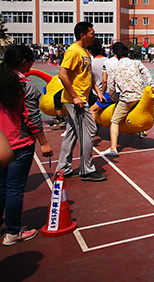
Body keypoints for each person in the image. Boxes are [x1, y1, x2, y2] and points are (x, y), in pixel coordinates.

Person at [0, 45, 54, 245]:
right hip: (18, 144)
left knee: (1, 186)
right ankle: (13, 232)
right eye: (30, 61)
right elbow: (31, 118)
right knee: (14, 189)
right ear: (24, 62)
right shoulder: (25, 86)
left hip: (1, 143)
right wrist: (44, 143)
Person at [55, 21, 107, 182]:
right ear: (82, 35)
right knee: (89, 131)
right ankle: (86, 169)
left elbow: (87, 75)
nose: (94, 36)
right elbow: (62, 75)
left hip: (81, 98)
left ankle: (63, 168)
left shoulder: (85, 52)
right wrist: (75, 96)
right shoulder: (73, 51)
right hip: (76, 100)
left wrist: (98, 92)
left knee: (71, 133)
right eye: (92, 33)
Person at [100, 42, 154, 156]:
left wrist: (114, 100)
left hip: (126, 99)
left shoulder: (113, 68)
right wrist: (151, 85)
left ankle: (113, 148)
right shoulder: (136, 63)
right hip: (141, 96)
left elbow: (111, 88)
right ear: (128, 53)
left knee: (114, 121)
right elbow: (146, 73)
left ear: (115, 55)